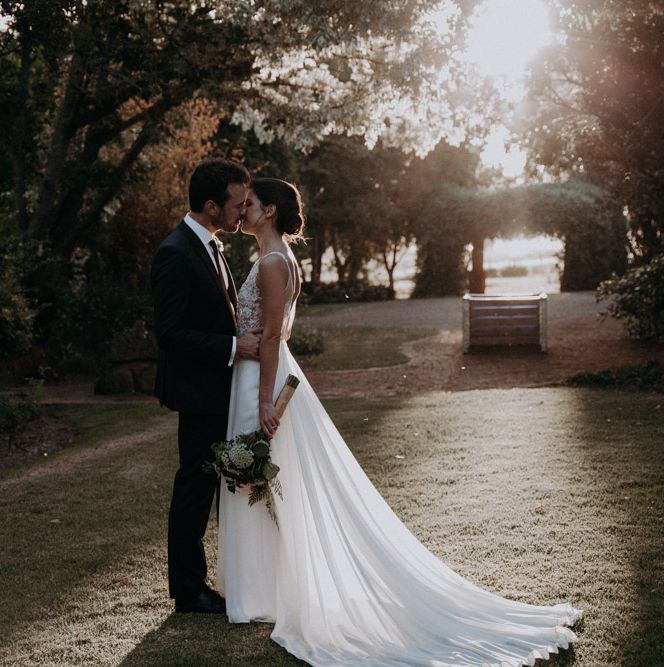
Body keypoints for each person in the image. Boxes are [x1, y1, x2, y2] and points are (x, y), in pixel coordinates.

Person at [217, 177, 583, 665]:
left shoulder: (270, 263)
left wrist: (265, 401)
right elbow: (279, 330)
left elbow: (270, 338)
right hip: (264, 372)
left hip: (261, 379)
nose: (242, 211)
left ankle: (256, 594)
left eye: (251, 205)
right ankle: (262, 588)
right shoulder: (280, 259)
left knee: (261, 480)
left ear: (271, 212)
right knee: (266, 482)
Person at [151, 158, 261, 614]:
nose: (243, 212)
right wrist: (234, 347)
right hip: (198, 392)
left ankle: (207, 581)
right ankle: (189, 590)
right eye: (237, 205)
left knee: (210, 486)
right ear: (212, 205)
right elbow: (170, 333)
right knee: (194, 489)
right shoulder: (175, 252)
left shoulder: (212, 246)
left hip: (220, 389)